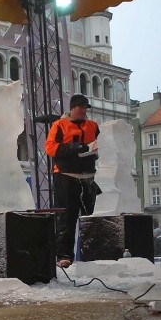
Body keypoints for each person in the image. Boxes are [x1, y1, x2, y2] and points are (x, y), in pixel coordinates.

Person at [45, 94, 100, 268]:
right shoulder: (59, 125)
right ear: (73, 108)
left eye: (86, 108)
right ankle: (63, 256)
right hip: (65, 176)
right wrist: (72, 148)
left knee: (90, 217)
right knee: (66, 219)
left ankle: (91, 254)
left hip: (88, 177)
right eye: (81, 107)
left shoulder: (93, 126)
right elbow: (50, 147)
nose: (84, 111)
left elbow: (102, 143)